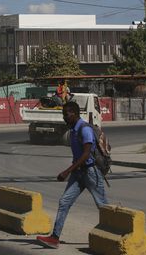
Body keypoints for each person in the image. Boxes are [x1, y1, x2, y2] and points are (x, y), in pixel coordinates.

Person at [36, 101, 108, 249]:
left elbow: (86, 154)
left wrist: (67, 171)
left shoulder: (84, 129)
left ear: (74, 113)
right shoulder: (74, 130)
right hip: (78, 173)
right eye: (63, 114)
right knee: (64, 202)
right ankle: (54, 238)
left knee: (103, 207)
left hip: (90, 172)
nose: (64, 117)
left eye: (66, 114)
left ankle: (115, 236)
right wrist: (73, 171)